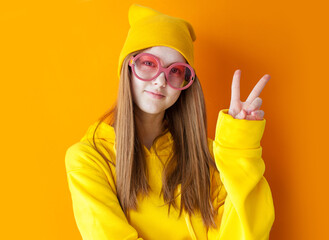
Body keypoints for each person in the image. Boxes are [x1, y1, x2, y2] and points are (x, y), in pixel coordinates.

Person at [65, 3, 275, 240]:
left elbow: (247, 235)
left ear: (186, 83)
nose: (160, 80)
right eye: (148, 63)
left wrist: (240, 148)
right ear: (128, 67)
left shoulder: (206, 157)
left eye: (175, 70)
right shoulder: (89, 159)